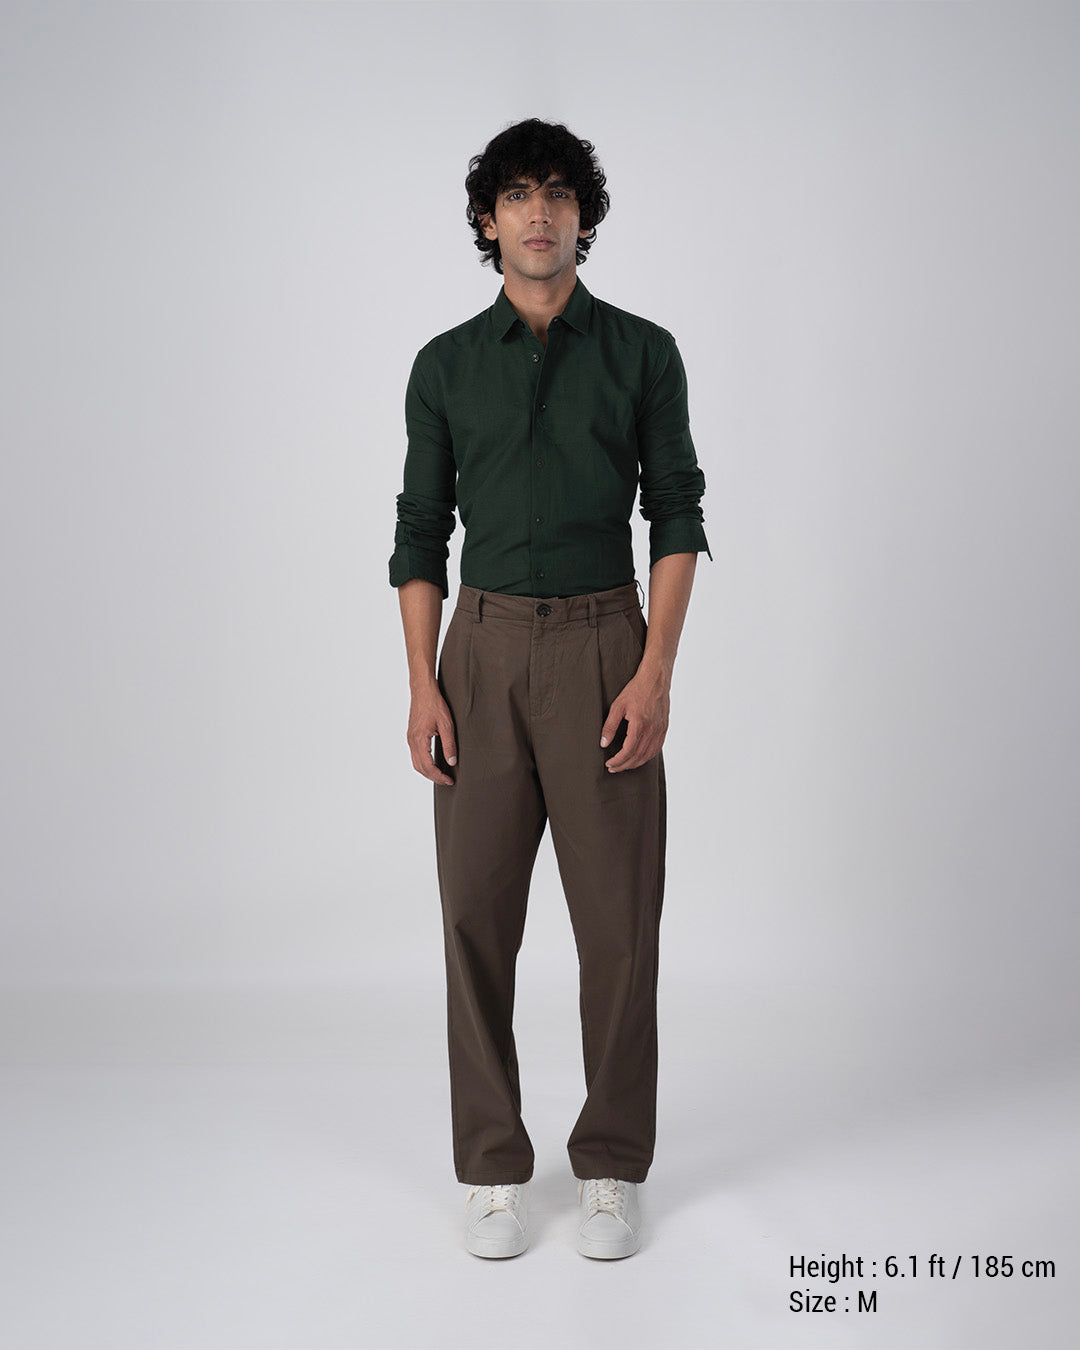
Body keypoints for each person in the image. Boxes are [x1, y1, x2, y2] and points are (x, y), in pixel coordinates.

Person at [389, 118, 710, 1259]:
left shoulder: (642, 353)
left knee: (618, 922)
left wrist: (655, 670)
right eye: (518, 194)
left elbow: (678, 513)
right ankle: (491, 1167)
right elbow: (420, 530)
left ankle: (611, 1162)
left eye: (559, 193)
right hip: (478, 652)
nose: (539, 211)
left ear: (584, 215)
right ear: (489, 220)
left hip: (604, 644)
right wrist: (423, 684)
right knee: (474, 917)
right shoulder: (444, 366)